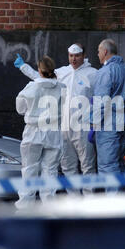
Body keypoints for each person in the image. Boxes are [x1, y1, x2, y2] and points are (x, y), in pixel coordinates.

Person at [14, 44, 98, 183]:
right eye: (71, 55)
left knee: (88, 165)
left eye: (77, 56)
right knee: (67, 166)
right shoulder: (62, 72)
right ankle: (73, 200)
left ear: (83, 55)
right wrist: (24, 67)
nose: (74, 59)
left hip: (82, 126)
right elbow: (41, 78)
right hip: (63, 126)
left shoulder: (93, 74)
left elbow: (101, 95)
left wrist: (95, 120)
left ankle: (88, 201)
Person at [14, 56, 65, 209]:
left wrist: (24, 67)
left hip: (33, 131)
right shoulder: (62, 87)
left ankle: (24, 209)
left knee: (29, 170)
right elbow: (48, 83)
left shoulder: (31, 87)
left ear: (39, 69)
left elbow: (20, 109)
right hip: (53, 132)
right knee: (50, 171)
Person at [92, 39, 125, 180]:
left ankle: (112, 201)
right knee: (120, 164)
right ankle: (120, 200)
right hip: (124, 122)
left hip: (109, 125)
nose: (97, 54)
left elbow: (101, 101)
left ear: (105, 51)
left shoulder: (105, 71)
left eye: (98, 51)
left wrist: (93, 122)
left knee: (107, 166)